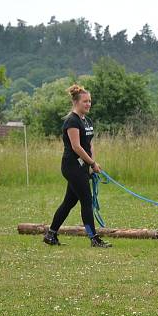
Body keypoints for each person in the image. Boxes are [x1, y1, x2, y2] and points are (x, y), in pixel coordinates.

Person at [43, 84, 111, 248]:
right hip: (72, 167)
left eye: (89, 101)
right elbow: (76, 147)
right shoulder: (72, 121)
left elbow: (89, 144)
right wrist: (92, 163)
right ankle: (94, 238)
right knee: (86, 202)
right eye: (85, 101)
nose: (88, 104)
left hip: (83, 167)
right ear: (76, 102)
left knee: (69, 202)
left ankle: (51, 234)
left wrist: (91, 164)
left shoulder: (87, 120)